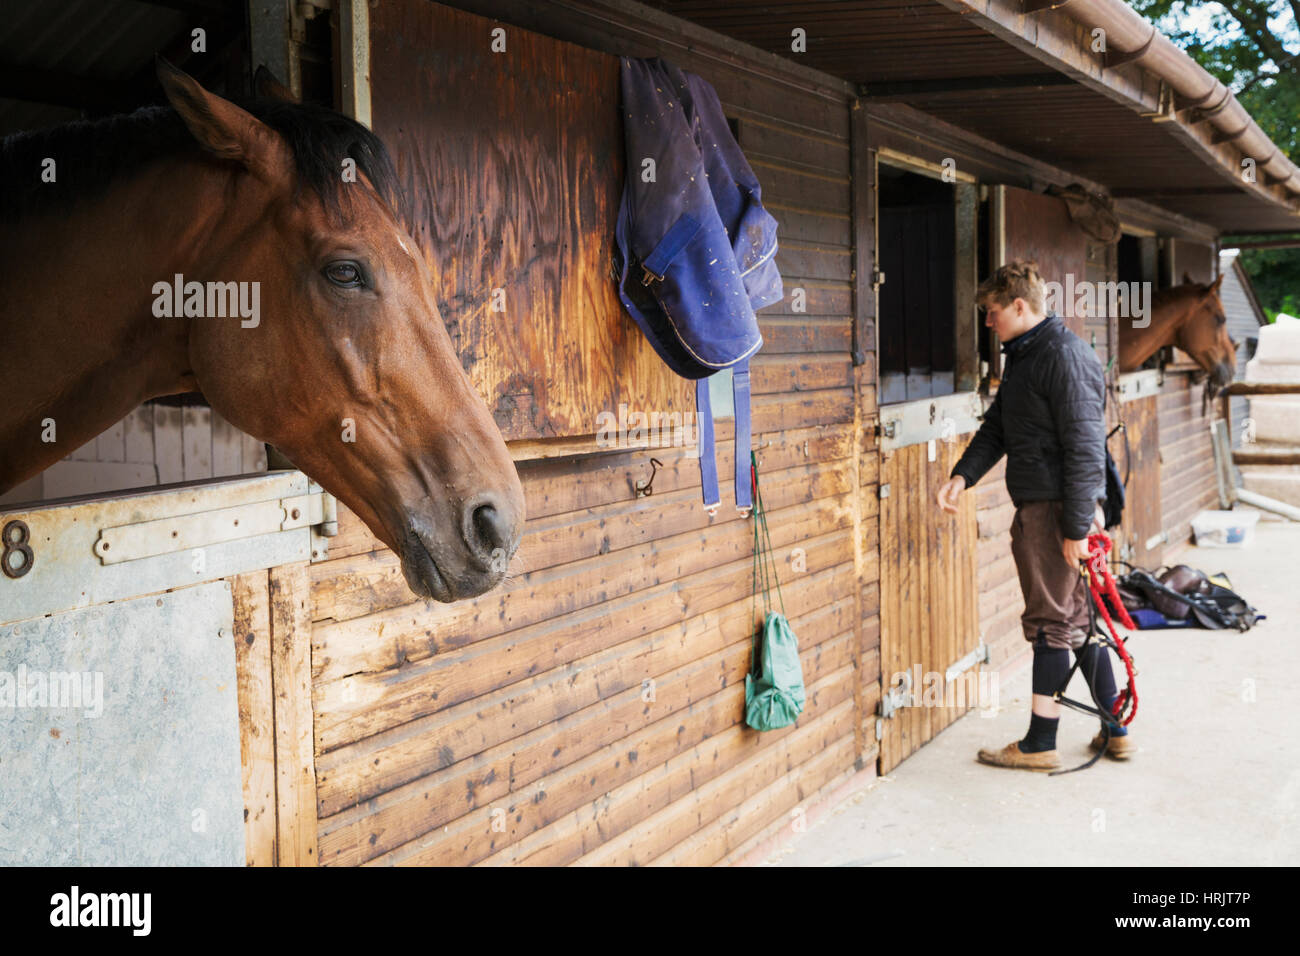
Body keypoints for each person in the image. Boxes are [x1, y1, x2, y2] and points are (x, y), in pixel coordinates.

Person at [935, 260, 1135, 771]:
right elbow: (998, 427)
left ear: (1019, 307)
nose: (988, 321)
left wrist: (1072, 528)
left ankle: (1040, 743)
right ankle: (1116, 730)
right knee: (1077, 619)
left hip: (1054, 513)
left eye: (993, 311)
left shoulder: (1063, 356)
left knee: (1049, 623)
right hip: (1051, 509)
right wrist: (963, 475)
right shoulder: (1027, 356)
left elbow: (1087, 449)